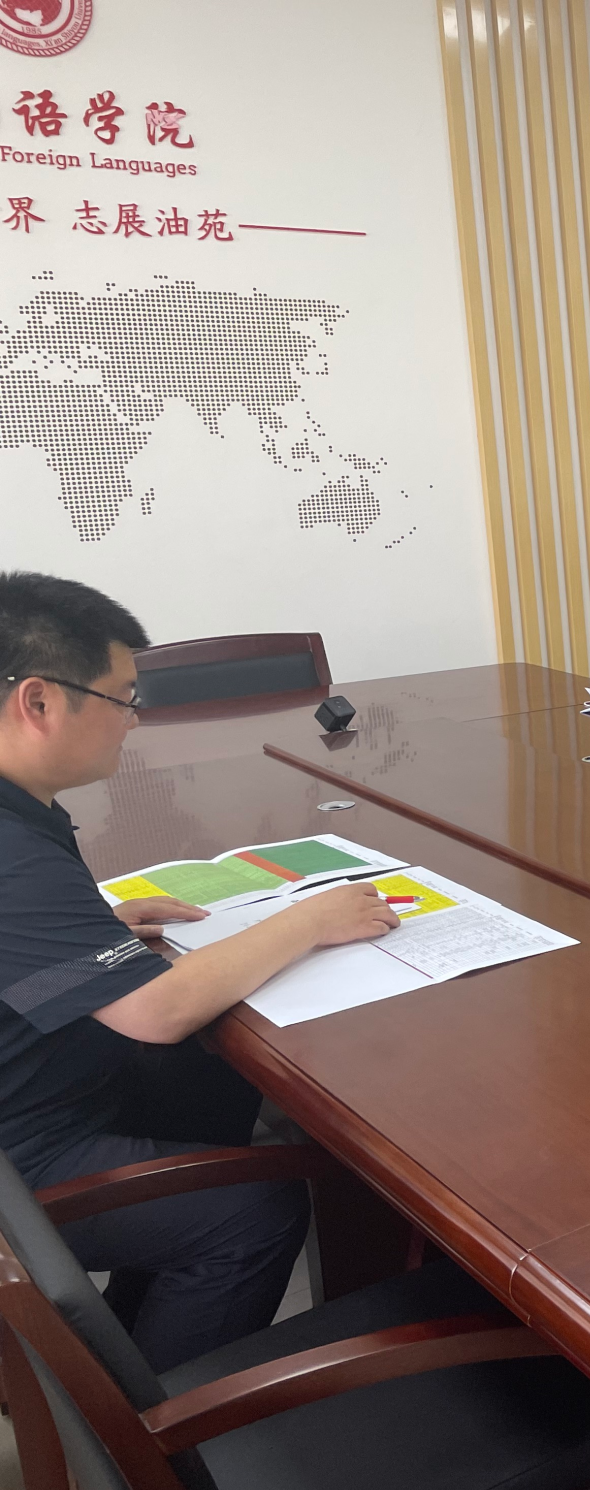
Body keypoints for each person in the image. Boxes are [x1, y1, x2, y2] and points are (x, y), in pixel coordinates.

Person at [0, 572, 400, 1371]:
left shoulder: (22, 807)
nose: (133, 721)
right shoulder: (13, 854)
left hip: (36, 1089)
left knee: (212, 1075)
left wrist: (87, 938)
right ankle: (161, 1428)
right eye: (122, 699)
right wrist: (310, 920)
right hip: (24, 1158)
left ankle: (135, 1322)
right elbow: (155, 1013)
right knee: (253, 1212)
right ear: (38, 702)